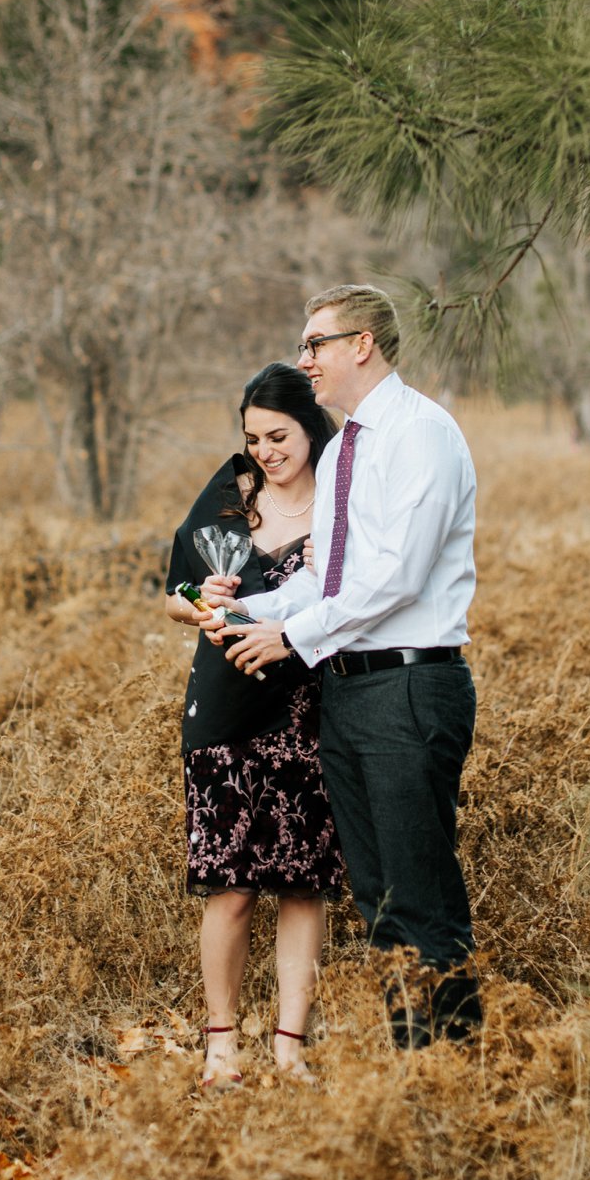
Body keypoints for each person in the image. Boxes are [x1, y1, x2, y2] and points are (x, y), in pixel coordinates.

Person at [201, 285, 483, 1047]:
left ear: (363, 344)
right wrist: (240, 611)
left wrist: (293, 641)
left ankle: (451, 1072)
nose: (303, 361)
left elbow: (397, 574)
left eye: (314, 344)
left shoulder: (420, 433)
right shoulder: (347, 448)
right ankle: (411, 1059)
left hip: (410, 686)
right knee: (379, 898)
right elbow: (322, 577)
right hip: (350, 693)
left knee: (420, 897)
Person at [165, 362, 344, 1088]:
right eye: (253, 437)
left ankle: (288, 1045)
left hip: (316, 713)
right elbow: (173, 593)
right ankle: (220, 1045)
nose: (265, 451)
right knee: (232, 885)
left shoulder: (344, 496)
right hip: (227, 711)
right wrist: (199, 600)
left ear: (311, 428)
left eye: (279, 435)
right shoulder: (232, 493)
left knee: (304, 884)